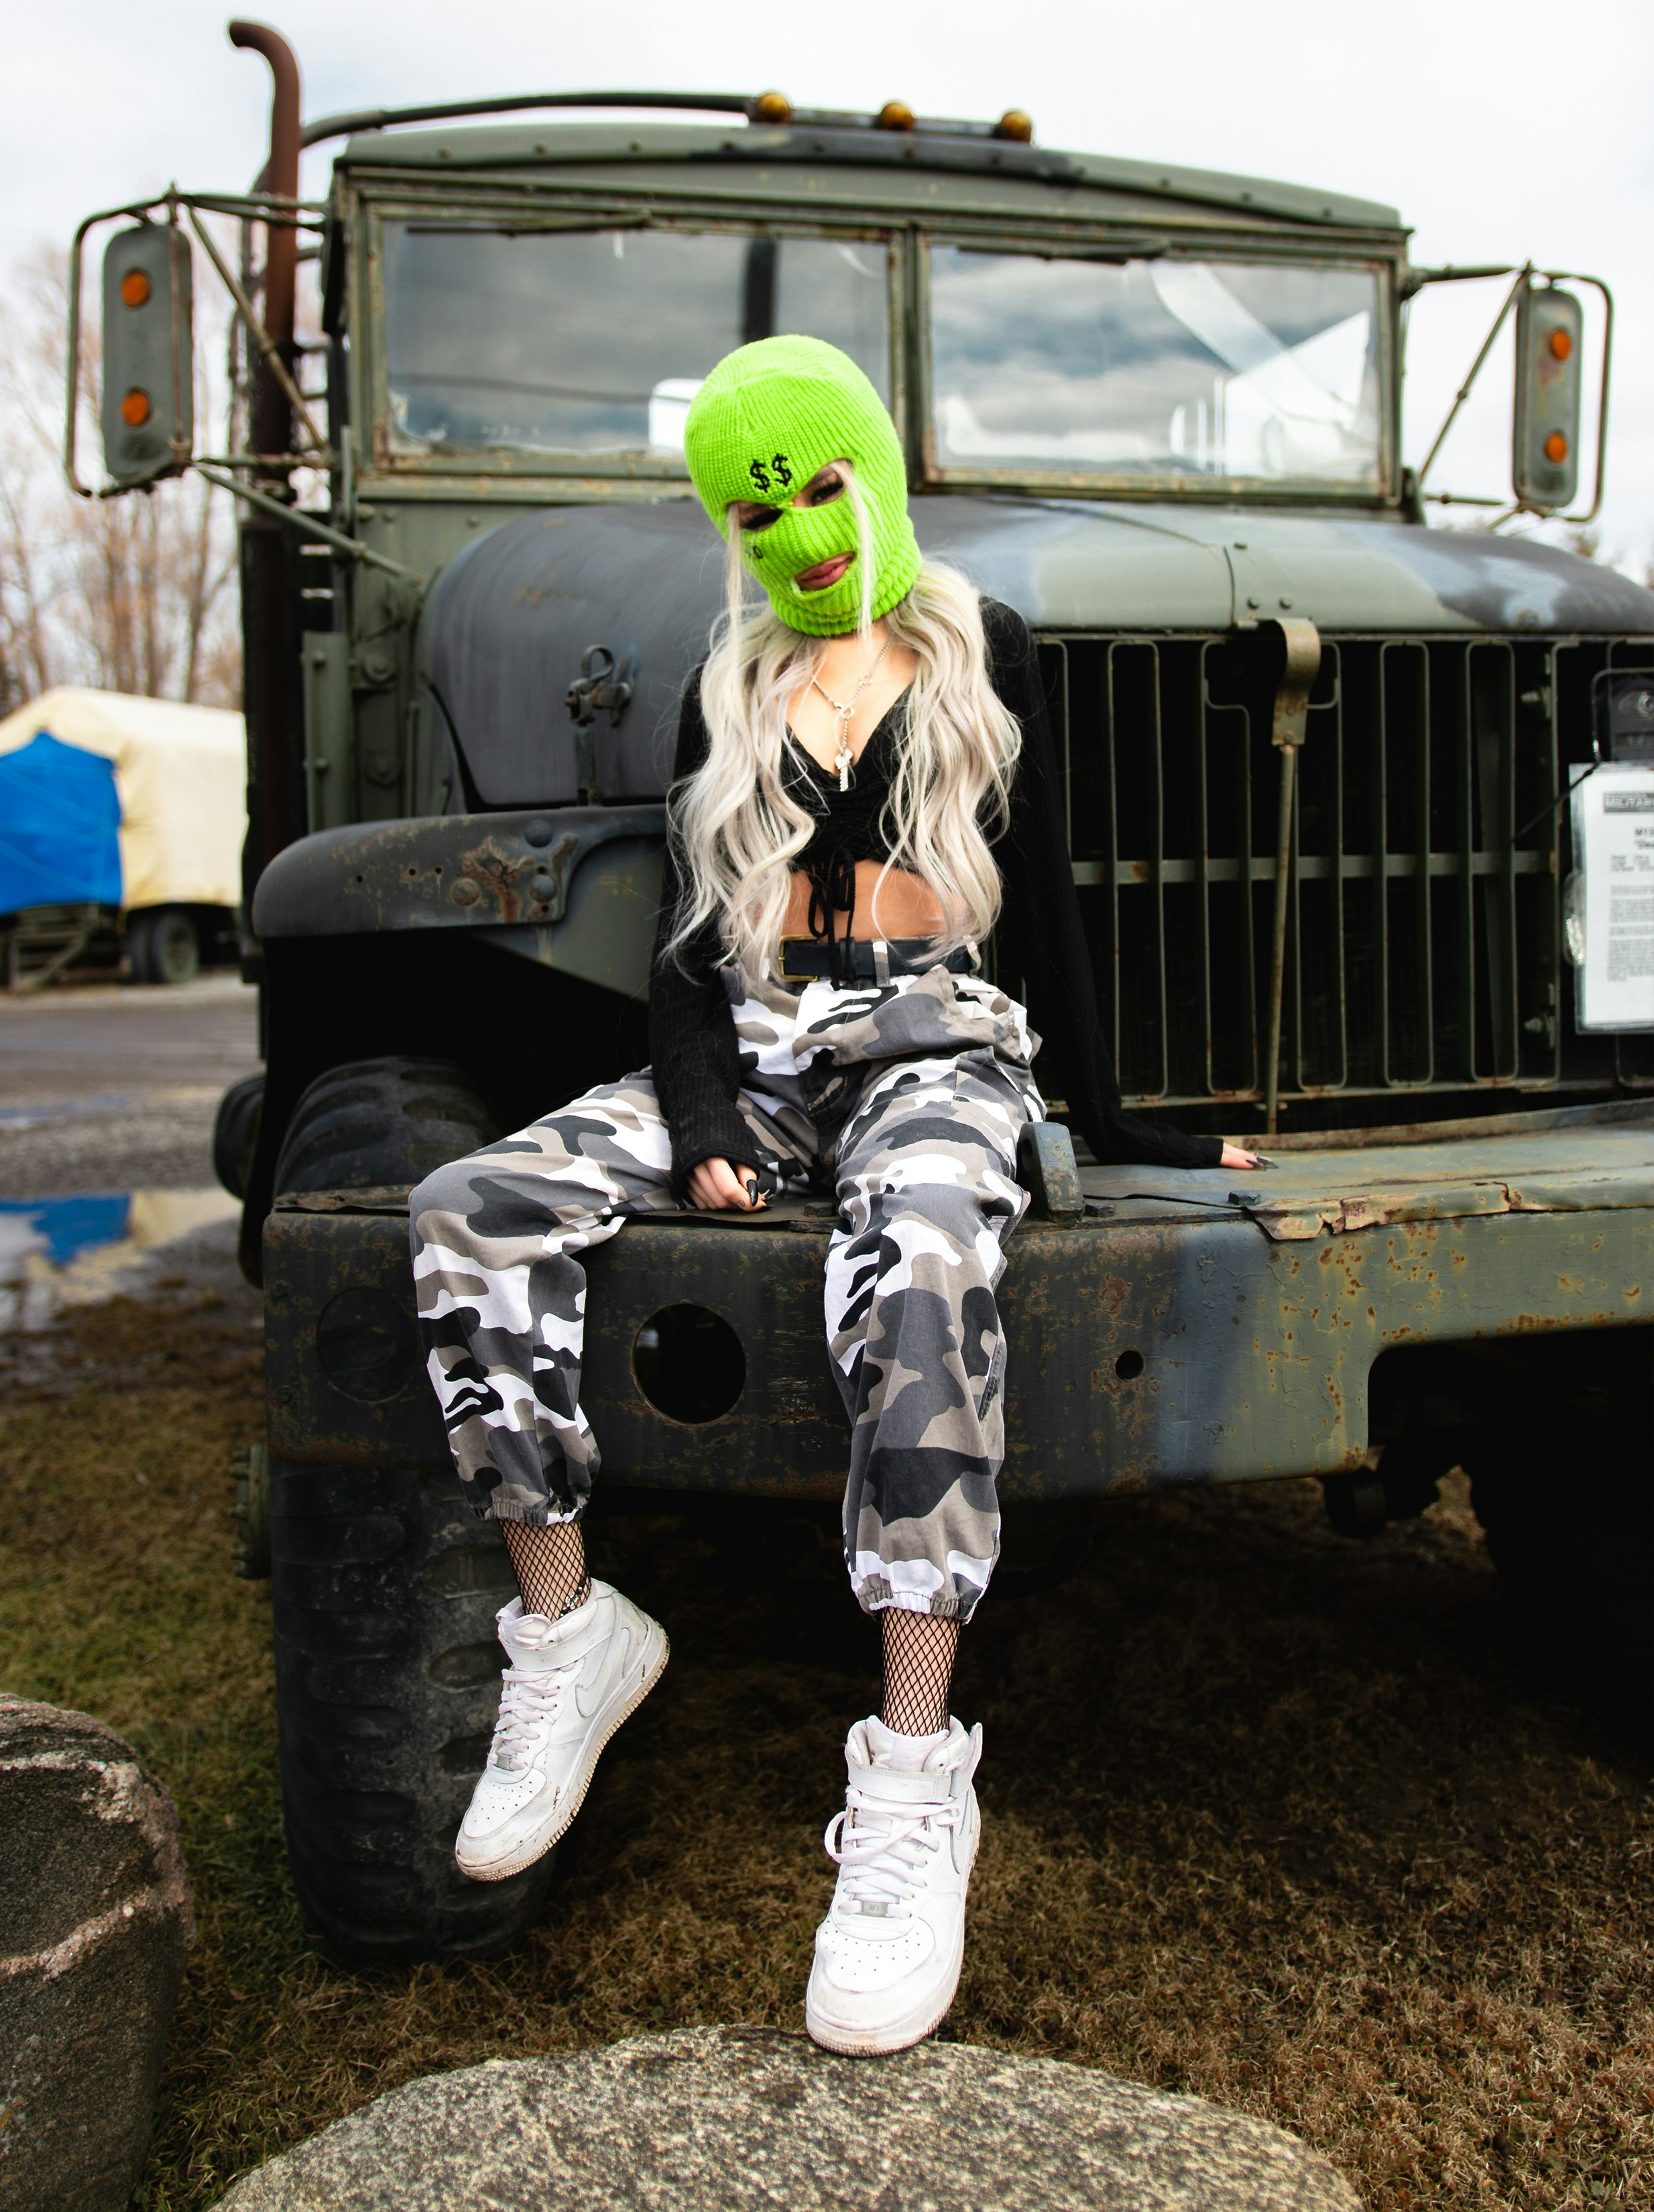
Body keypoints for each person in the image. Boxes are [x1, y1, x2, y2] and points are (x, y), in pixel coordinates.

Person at [408, 334, 1259, 2056]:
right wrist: (706, 1109)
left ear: (870, 469)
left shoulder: (980, 652)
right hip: (757, 1053)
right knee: (469, 1207)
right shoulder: (721, 684)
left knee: (927, 1263)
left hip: (937, 1051)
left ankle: (914, 1775)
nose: (797, 521)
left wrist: (1126, 1127)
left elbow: (1060, 911)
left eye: (817, 479)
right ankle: (568, 1630)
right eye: (760, 498)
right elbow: (675, 949)